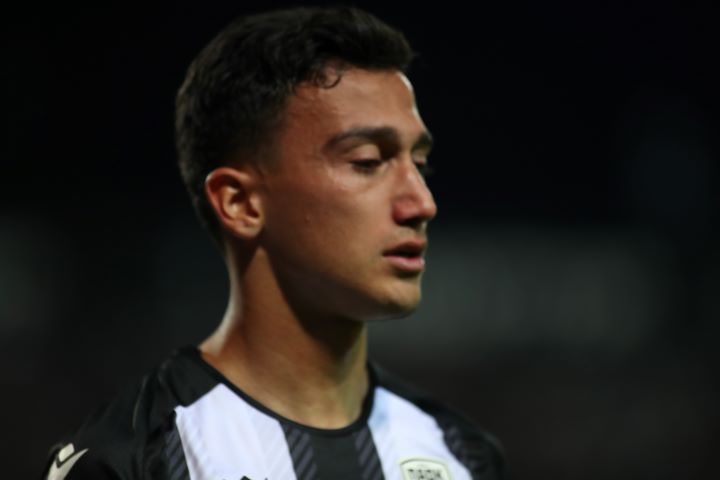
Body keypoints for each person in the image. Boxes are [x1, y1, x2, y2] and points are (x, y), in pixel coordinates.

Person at [43, 6, 505, 480]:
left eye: (420, 165)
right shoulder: (131, 459)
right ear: (240, 203)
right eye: (367, 161)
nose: (422, 203)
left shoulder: (463, 454)